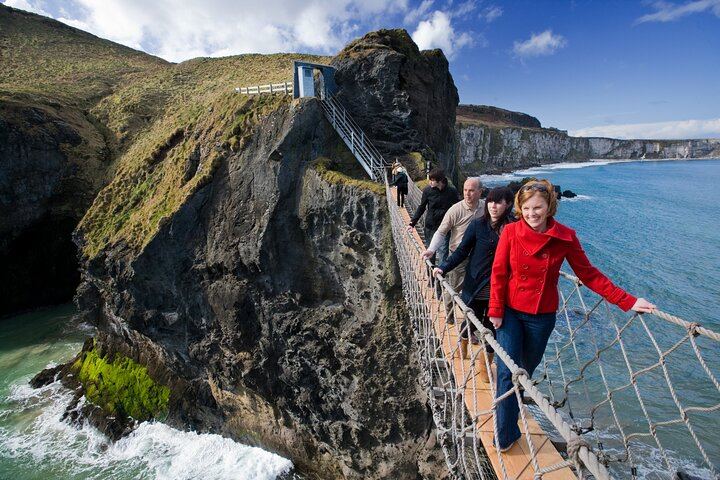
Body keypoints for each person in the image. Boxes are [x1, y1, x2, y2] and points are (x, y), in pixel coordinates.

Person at [488, 179, 656, 452]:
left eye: (538, 208)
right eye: (527, 208)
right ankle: (504, 435)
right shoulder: (510, 232)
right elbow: (498, 273)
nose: (532, 214)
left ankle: (509, 420)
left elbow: (589, 275)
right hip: (509, 313)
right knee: (509, 373)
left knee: (524, 375)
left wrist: (628, 301)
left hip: (541, 317)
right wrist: (495, 310)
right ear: (520, 208)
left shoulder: (565, 237)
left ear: (549, 207)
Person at [432, 186, 515, 382]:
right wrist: (443, 267)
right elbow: (462, 251)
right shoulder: (478, 225)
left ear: (508, 205)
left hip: (500, 290)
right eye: (491, 201)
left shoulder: (514, 228)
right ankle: (462, 348)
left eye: (499, 202)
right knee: (469, 320)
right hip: (476, 285)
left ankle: (484, 368)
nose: (493, 206)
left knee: (492, 329)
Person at [422, 177, 484, 324]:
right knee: (454, 287)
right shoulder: (455, 210)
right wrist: (431, 249)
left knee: (476, 292)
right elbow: (441, 232)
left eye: (472, 191)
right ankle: (449, 313)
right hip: (458, 256)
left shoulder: (486, 208)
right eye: (465, 190)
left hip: (479, 258)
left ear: (480, 192)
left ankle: (471, 325)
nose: (467, 194)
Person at [407, 168, 459, 265]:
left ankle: (440, 277)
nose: (429, 182)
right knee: (430, 252)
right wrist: (412, 223)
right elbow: (421, 207)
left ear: (440, 181)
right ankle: (430, 274)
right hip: (430, 226)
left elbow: (458, 207)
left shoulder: (451, 191)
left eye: (432, 180)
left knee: (443, 252)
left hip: (444, 227)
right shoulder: (427, 191)